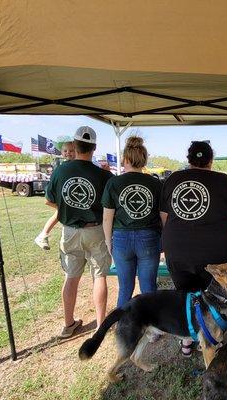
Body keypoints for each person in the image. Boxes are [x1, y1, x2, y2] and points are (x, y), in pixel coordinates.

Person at [160, 140, 227, 356]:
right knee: (212, 298)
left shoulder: (173, 179)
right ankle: (211, 337)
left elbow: (164, 217)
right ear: (211, 161)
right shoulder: (225, 181)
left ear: (188, 160)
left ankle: (187, 341)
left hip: (177, 250)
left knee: (184, 296)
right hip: (214, 252)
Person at [45, 126, 113, 338]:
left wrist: (68, 210)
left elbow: (49, 200)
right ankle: (101, 325)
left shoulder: (60, 171)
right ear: (94, 147)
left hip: (69, 231)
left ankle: (68, 324)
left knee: (71, 277)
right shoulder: (104, 175)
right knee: (99, 276)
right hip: (95, 230)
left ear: (74, 146)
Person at [102, 136, 163, 308]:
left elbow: (107, 217)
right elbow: (162, 214)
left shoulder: (114, 182)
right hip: (149, 238)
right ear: (144, 160)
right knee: (149, 288)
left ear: (125, 159)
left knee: (125, 289)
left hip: (121, 239)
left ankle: (123, 326)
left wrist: (108, 242)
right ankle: (152, 329)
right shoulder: (155, 183)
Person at [35, 141, 75, 250]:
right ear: (62, 153)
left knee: (58, 215)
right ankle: (42, 235)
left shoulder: (69, 166)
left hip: (67, 198)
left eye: (71, 151)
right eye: (65, 151)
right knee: (58, 214)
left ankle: (43, 235)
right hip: (61, 199)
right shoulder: (62, 168)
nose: (68, 153)